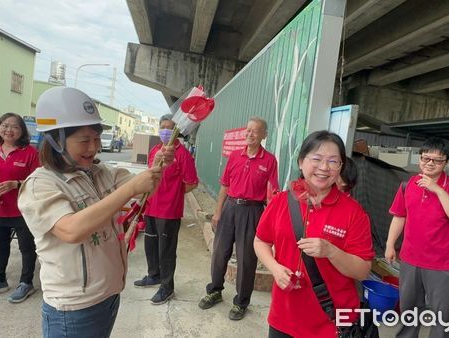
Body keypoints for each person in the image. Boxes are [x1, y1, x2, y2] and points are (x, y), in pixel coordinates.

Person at [17, 87, 172, 338]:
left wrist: (155, 170)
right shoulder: (40, 184)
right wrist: (132, 186)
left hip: (108, 295)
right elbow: (71, 229)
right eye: (84, 140)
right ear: (55, 139)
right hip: (74, 308)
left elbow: (144, 191)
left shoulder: (101, 172)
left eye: (97, 139)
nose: (94, 147)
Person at [254, 131, 375, 337]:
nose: (324, 167)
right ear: (301, 162)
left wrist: (331, 251)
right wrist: (274, 268)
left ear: (340, 168)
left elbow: (362, 270)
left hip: (332, 323)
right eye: (316, 159)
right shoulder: (282, 201)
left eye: (333, 161)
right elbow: (260, 241)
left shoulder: (354, 213)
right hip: (283, 318)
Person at [385, 137, 449, 338]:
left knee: (443, 318)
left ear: (447, 162)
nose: (429, 164)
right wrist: (390, 245)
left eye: (437, 160)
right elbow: (399, 216)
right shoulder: (407, 185)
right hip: (411, 259)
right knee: (408, 312)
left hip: (444, 264)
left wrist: (437, 190)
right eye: (425, 158)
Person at [198, 117, 279, 321]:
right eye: (248, 130)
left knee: (246, 259)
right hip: (230, 208)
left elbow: (272, 194)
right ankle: (215, 290)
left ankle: (241, 302)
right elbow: (225, 185)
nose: (250, 134)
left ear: (264, 135)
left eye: (255, 131)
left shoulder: (269, 161)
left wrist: (271, 225)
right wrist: (218, 212)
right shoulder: (235, 156)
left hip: (252, 212)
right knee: (219, 253)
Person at [134, 114, 199, 305]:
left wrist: (174, 194)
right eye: (162, 126)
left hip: (169, 212)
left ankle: (167, 287)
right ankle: (153, 275)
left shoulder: (182, 154)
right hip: (151, 207)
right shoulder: (156, 150)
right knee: (150, 245)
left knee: (166, 251)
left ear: (176, 131)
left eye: (169, 128)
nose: (164, 130)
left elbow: (192, 183)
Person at [0, 113, 39, 302]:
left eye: (14, 127)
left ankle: (26, 283)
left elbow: (39, 182)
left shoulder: (30, 153)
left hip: (22, 209)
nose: (8, 130)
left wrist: (16, 184)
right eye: (5, 125)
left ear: (22, 131)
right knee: (0, 246)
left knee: (27, 247)